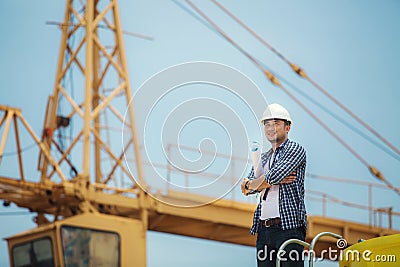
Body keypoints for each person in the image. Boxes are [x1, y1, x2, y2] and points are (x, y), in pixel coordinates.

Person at [241, 103, 307, 267]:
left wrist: (260, 182)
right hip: (264, 229)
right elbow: (244, 188)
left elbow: (271, 177)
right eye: (267, 124)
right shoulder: (263, 158)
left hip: (289, 228)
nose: (271, 128)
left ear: (287, 127)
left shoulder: (295, 149)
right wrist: (261, 182)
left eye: (276, 123)